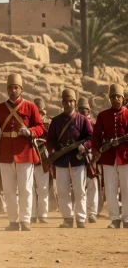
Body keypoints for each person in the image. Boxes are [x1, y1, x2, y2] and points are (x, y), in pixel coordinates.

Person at [0, 73, 45, 232]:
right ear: (7, 90)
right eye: (10, 88)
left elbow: (40, 127)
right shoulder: (0, 108)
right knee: (8, 189)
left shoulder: (30, 107)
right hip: (5, 153)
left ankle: (25, 220)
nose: (13, 90)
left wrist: (30, 131)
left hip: (25, 152)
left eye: (16, 87)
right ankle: (13, 221)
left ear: (21, 89)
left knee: (26, 189)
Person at [45, 89, 92, 228]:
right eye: (66, 101)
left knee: (80, 190)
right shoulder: (56, 121)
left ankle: (81, 218)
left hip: (78, 159)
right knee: (62, 191)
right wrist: (53, 150)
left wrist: (84, 145)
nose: (68, 103)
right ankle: (67, 218)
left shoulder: (82, 120)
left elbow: (90, 137)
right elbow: (50, 140)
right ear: (62, 102)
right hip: (61, 161)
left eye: (71, 101)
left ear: (75, 103)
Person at [93, 84, 128, 228]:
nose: (116, 99)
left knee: (126, 188)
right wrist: (96, 150)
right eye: (113, 97)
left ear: (123, 98)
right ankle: (114, 218)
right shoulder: (102, 115)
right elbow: (96, 136)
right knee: (110, 188)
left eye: (118, 97)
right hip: (108, 157)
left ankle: (126, 218)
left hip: (125, 156)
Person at [78, 99, 100, 223]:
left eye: (84, 110)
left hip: (91, 158)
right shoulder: (74, 122)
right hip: (77, 157)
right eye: (80, 110)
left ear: (88, 111)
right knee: (78, 186)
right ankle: (81, 212)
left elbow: (96, 139)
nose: (82, 112)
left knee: (93, 185)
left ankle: (92, 212)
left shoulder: (93, 123)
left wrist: (92, 152)